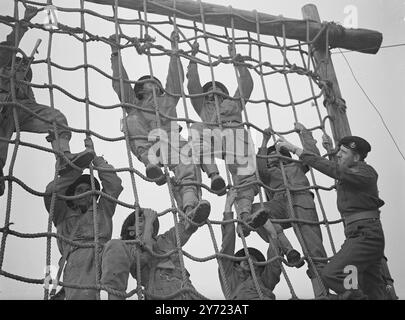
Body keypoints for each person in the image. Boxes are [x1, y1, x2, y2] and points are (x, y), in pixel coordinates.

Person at [109, 31, 210, 221]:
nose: (154, 84)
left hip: (171, 141)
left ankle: (189, 206)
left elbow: (175, 79)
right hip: (147, 143)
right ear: (140, 89)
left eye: (156, 82)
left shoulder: (168, 101)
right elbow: (120, 82)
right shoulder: (134, 103)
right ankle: (151, 164)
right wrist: (116, 53)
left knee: (188, 164)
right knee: (130, 119)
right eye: (149, 82)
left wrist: (174, 51)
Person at [277, 132, 386, 299]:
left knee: (331, 274)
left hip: (366, 235)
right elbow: (340, 168)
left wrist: (295, 150)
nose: (339, 154)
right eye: (339, 151)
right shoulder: (352, 171)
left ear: (356, 157)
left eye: (343, 152)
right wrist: (329, 148)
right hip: (357, 235)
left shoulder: (366, 173)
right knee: (371, 288)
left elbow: (336, 170)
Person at [0, 6, 95, 196]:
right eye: (19, 65)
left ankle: (63, 158)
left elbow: (33, 107)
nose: (22, 70)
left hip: (19, 109)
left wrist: (22, 87)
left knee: (55, 117)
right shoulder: (3, 65)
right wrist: (25, 23)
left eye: (26, 70)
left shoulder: (25, 88)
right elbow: (10, 45)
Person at [187, 42, 264, 234]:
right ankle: (215, 176)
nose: (213, 91)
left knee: (245, 175)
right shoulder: (203, 106)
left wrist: (238, 62)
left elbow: (246, 86)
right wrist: (193, 60)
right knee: (196, 129)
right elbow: (193, 86)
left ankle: (245, 215)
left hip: (236, 137)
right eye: (209, 90)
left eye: (217, 88)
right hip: (213, 135)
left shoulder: (233, 103)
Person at [251, 123, 328, 297]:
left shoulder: (297, 166)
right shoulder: (268, 173)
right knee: (256, 210)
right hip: (280, 205)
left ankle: (322, 293)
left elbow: (313, 157)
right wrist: (264, 140)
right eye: (269, 156)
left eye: (274, 154)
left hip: (301, 201)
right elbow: (260, 167)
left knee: (314, 251)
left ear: (284, 155)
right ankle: (288, 249)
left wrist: (304, 133)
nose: (271, 158)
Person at [43, 137, 123, 300]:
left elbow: (114, 184)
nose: (86, 192)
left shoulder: (102, 209)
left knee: (118, 248)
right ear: (71, 195)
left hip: (105, 253)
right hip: (77, 258)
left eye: (89, 189)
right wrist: (76, 168)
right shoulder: (62, 213)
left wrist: (95, 159)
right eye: (80, 189)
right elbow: (51, 191)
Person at [101, 198, 209, 300]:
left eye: (150, 221)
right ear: (131, 230)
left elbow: (187, 226)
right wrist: (148, 223)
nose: (149, 222)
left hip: (187, 291)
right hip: (159, 294)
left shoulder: (166, 239)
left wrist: (191, 209)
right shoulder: (127, 248)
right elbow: (144, 257)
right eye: (141, 220)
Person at [218, 188, 282, 299]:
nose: (249, 259)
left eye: (253, 259)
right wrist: (228, 206)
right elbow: (227, 244)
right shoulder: (230, 276)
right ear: (237, 263)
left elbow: (274, 264)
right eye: (246, 258)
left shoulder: (264, 280)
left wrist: (273, 234)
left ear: (259, 266)